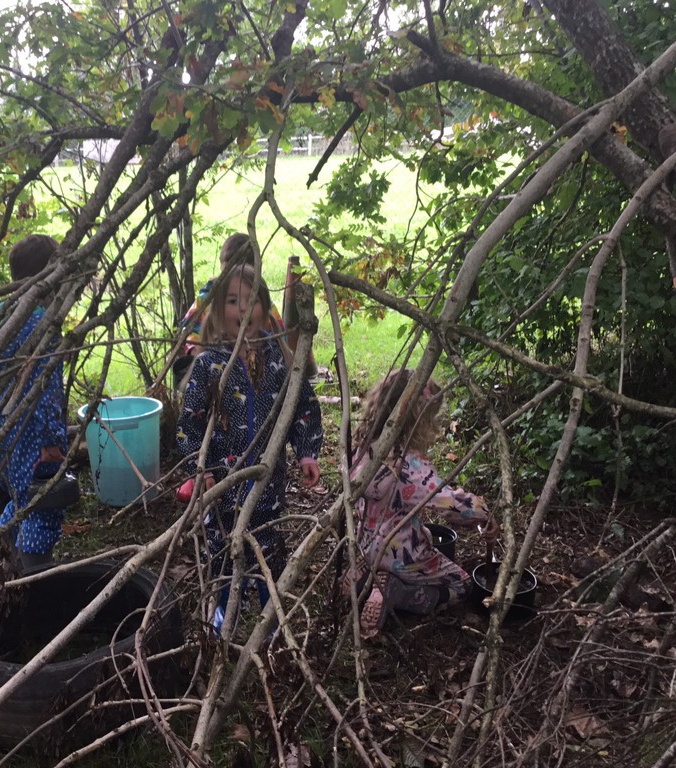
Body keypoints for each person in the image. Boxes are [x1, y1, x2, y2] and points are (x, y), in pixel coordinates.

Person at [176, 264, 323, 630]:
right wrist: (200, 468)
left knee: (268, 554)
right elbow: (189, 425)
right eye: (232, 301)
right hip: (223, 490)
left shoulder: (277, 358)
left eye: (251, 300)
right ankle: (225, 610)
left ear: (265, 307)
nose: (243, 310)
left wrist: (306, 451)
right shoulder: (209, 365)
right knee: (224, 554)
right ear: (217, 312)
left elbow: (302, 404)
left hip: (267, 488)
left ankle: (270, 622)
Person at [349, 369, 499, 636]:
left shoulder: (362, 448)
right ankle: (398, 592)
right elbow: (455, 507)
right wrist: (484, 513)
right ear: (418, 421)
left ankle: (364, 573)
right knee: (461, 585)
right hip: (400, 556)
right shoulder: (412, 470)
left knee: (425, 531)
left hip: (364, 542)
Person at [0, 233, 69, 570]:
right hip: (33, 435)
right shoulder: (42, 326)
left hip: (1, 430)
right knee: (44, 501)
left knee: (22, 497)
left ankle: (5, 557)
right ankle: (35, 570)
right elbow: (46, 390)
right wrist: (51, 442)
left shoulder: (4, 314)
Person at [173, 233, 316, 388]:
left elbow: (280, 340)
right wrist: (198, 354)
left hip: (254, 372)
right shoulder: (210, 295)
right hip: (215, 372)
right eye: (232, 300)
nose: (242, 307)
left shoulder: (261, 299)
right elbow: (188, 331)